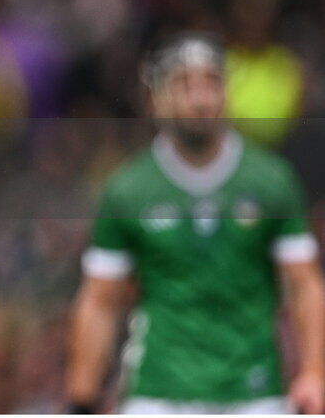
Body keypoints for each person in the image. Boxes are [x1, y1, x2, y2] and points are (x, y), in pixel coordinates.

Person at [65, 33, 325, 414]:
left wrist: (314, 372)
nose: (201, 99)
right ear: (155, 99)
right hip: (158, 391)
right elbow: (101, 300)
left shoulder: (271, 181)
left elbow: (304, 285)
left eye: (212, 83)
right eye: (185, 85)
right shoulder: (129, 189)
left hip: (254, 392)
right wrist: (82, 396)